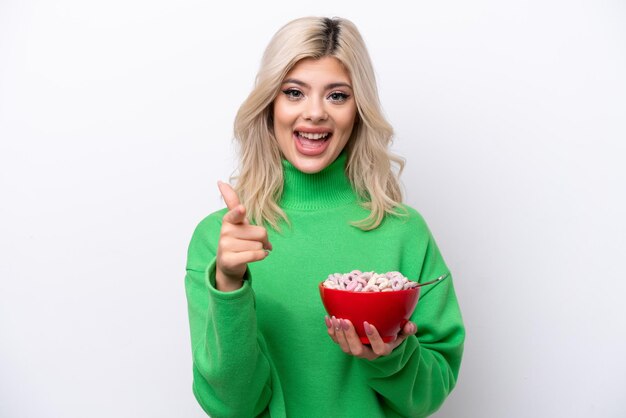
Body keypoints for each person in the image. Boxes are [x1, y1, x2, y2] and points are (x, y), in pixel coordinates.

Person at [184, 16, 465, 417]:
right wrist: (228, 285)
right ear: (269, 105)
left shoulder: (405, 232)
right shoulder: (222, 242)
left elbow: (431, 393)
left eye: (337, 96)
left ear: (358, 110)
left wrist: (389, 356)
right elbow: (232, 407)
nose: (315, 113)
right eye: (294, 92)